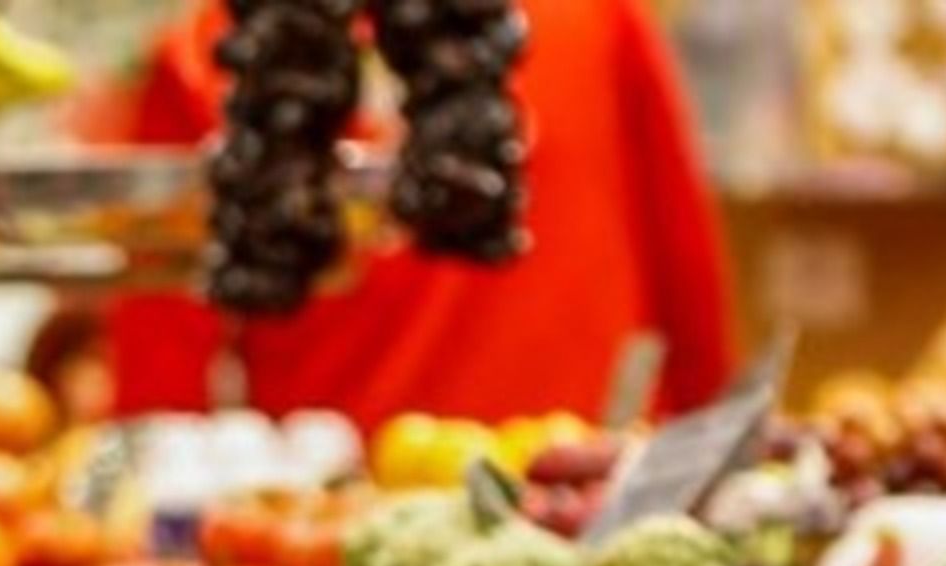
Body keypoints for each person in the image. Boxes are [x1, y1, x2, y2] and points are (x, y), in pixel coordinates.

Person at [104, 0, 737, 430]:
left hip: (581, 484)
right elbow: (160, 349)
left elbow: (683, 270)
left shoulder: (211, 51)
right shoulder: (207, 56)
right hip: (344, 519)